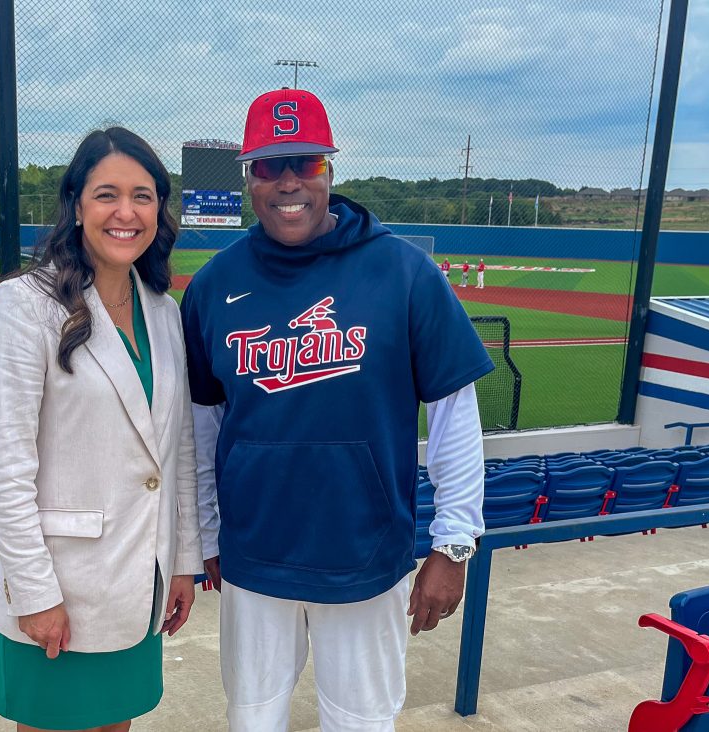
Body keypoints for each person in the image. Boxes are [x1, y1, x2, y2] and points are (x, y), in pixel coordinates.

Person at [181, 88, 494, 731]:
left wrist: (454, 544)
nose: (289, 181)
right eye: (270, 165)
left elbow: (455, 413)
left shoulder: (404, 273)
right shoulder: (215, 283)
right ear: (249, 178)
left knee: (361, 723)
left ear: (330, 170)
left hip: (367, 556)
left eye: (307, 162)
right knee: (253, 721)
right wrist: (207, 533)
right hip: (253, 555)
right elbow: (200, 423)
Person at [0, 127, 204, 732]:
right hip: (62, 589)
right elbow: (5, 468)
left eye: (143, 195)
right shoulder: (24, 306)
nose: (126, 212)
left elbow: (176, 447)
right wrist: (34, 593)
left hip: (139, 583)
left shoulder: (163, 310)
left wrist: (183, 561)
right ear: (76, 205)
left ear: (160, 208)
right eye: (107, 194)